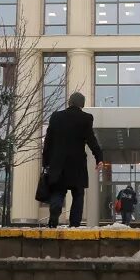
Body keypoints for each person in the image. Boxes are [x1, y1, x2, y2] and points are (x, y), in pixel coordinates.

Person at [41, 91, 103, 227]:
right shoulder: (86, 118)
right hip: (77, 163)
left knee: (58, 190)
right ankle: (74, 225)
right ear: (82, 104)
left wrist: (45, 161)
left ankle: (54, 213)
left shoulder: (56, 117)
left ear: (69, 102)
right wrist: (99, 158)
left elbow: (48, 141)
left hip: (58, 162)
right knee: (78, 193)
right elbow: (91, 140)